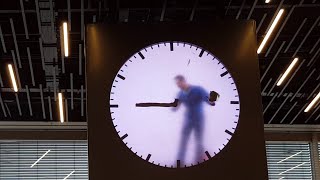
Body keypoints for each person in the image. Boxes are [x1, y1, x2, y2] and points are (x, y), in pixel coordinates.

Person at [173, 75, 215, 166]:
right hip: (188, 119)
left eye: (179, 83)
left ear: (183, 81)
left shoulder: (198, 89)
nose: (178, 86)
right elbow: (176, 106)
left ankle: (198, 161)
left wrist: (213, 99)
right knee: (183, 140)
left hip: (199, 119)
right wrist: (173, 107)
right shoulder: (180, 94)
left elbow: (209, 100)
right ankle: (180, 162)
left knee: (198, 140)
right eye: (176, 84)